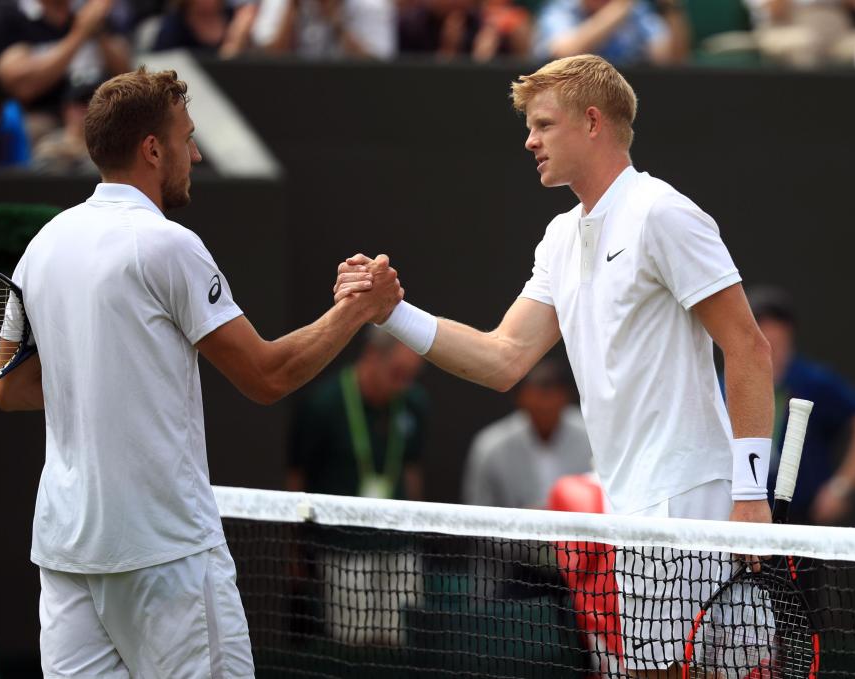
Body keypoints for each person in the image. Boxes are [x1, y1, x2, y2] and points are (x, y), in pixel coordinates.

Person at [336, 55, 774, 677]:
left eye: (543, 124)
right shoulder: (561, 238)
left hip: (693, 494)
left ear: (592, 122)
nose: (529, 140)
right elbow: (503, 358)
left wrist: (751, 493)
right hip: (629, 506)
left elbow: (749, 347)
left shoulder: (662, 213)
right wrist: (393, 312)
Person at [0, 66, 402, 676]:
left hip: (67, 554)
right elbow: (267, 376)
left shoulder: (42, 246)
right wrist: (356, 310)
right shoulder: (169, 244)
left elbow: (11, 389)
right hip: (166, 555)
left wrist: (107, 371)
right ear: (152, 149)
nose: (197, 151)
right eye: (187, 137)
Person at [748, 286, 855, 525]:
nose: (769, 333)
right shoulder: (728, 383)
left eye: (776, 324)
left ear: (789, 332)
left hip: (801, 522)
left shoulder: (814, 381)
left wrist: (842, 487)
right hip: (745, 519)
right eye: (759, 322)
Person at [287, 326, 427, 500]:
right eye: (397, 374)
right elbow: (297, 474)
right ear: (372, 353)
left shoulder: (413, 403)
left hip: (391, 523)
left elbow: (411, 469)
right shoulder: (324, 404)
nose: (403, 386)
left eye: (410, 377)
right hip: (331, 523)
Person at [0, 0, 132, 141]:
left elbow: (126, 75)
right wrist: (79, 34)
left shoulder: (91, 11)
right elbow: (21, 86)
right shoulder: (13, 16)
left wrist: (99, 30)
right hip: (47, 116)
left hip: (103, 112)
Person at [461, 358, 592, 508]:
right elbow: (478, 509)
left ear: (566, 396)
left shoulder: (592, 439)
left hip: (583, 529)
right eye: (538, 395)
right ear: (520, 398)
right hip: (510, 529)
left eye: (550, 393)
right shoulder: (491, 446)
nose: (545, 404)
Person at [532, 0, 680, 65]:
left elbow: (665, 58)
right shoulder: (561, 10)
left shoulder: (636, 11)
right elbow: (563, 54)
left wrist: (668, 7)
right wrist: (618, 9)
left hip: (625, 100)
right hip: (572, 99)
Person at [31, 81, 97, 174]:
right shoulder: (49, 144)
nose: (86, 110)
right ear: (66, 109)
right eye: (81, 104)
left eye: (92, 103)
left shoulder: (104, 147)